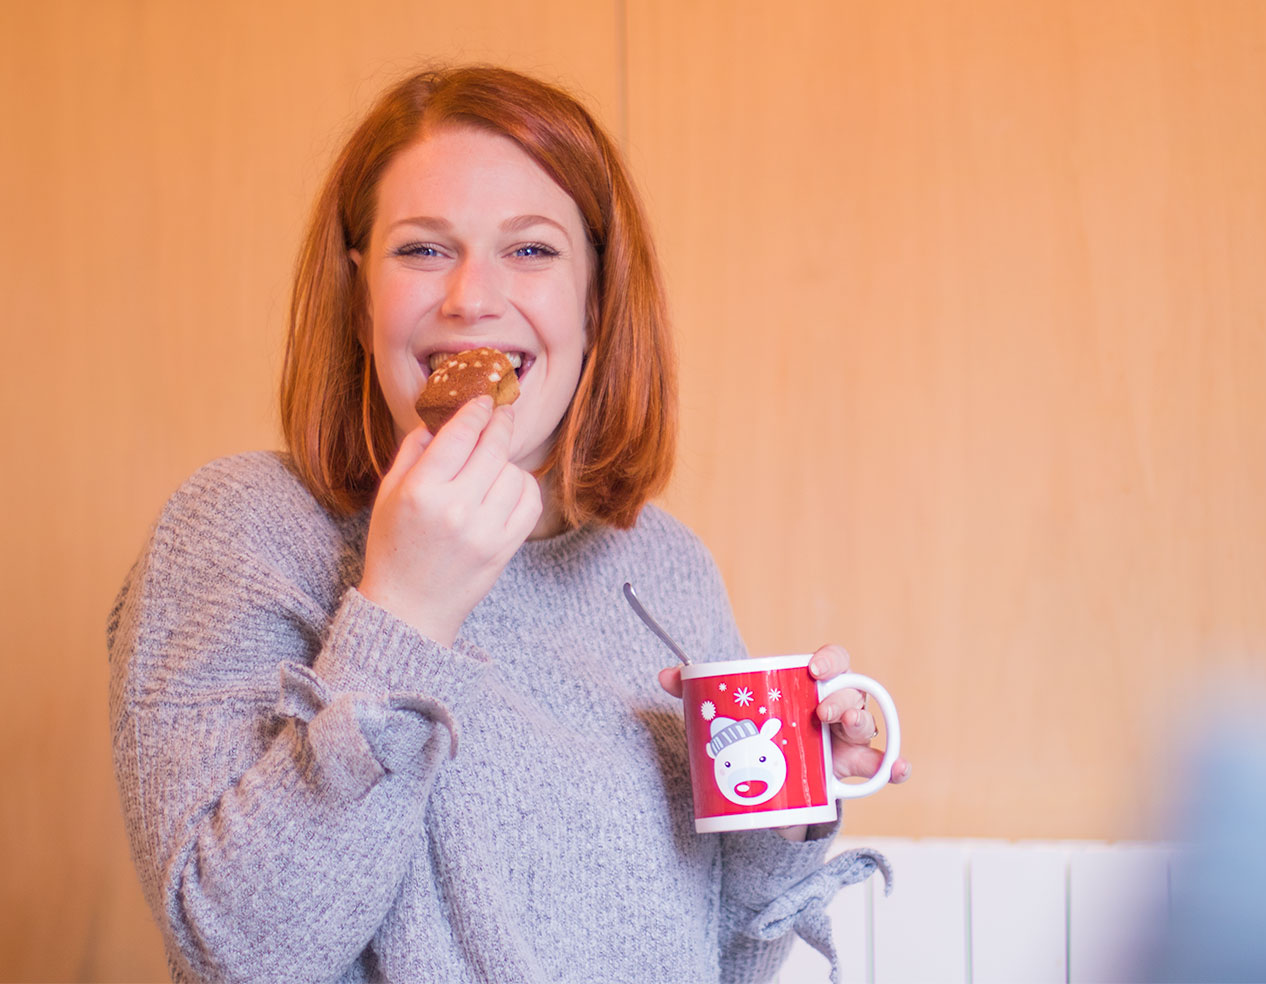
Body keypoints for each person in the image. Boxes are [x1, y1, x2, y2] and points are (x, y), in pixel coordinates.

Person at [107, 65, 908, 984]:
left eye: (530, 251)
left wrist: (779, 805)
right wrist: (402, 611)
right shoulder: (242, 531)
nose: (472, 300)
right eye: (422, 250)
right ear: (360, 293)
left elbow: (726, 962)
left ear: (595, 299)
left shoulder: (666, 566)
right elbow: (234, 956)